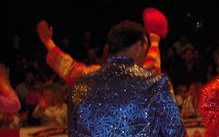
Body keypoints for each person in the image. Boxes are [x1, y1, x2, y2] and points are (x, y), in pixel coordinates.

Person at [36, 7, 166, 85]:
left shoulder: (95, 75)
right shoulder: (142, 78)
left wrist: (48, 42)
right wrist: (154, 41)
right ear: (138, 47)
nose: (146, 52)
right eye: (145, 46)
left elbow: (70, 69)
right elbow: (151, 68)